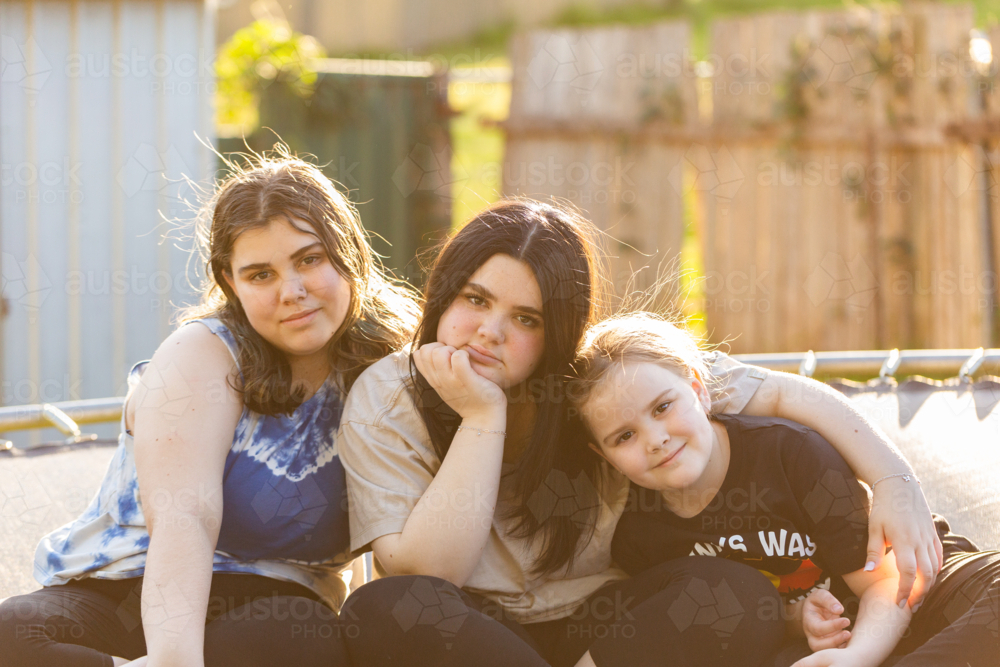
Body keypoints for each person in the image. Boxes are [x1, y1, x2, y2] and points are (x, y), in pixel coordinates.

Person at [336, 200, 945, 667]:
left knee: (739, 598)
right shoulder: (389, 396)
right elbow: (429, 574)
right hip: (477, 631)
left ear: (558, 332)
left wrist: (893, 479)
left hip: (611, 626)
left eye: (526, 319)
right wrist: (481, 417)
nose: (490, 332)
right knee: (383, 610)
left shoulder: (595, 377)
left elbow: (783, 391)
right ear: (444, 293)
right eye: (476, 299)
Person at [0, 155, 419, 667]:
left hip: (272, 609)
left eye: (310, 259)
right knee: (11, 635)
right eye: (261, 274)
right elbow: (185, 517)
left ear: (348, 252)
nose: (292, 291)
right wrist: (172, 661)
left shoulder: (395, 369)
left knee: (297, 637)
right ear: (230, 281)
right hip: (128, 585)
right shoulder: (205, 354)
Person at [570, 312, 999, 667]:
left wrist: (856, 660)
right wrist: (796, 619)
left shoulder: (787, 451)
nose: (655, 438)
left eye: (663, 407)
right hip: (814, 647)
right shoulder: (638, 531)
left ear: (699, 391)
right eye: (624, 436)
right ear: (605, 456)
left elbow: (888, 584)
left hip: (913, 597)